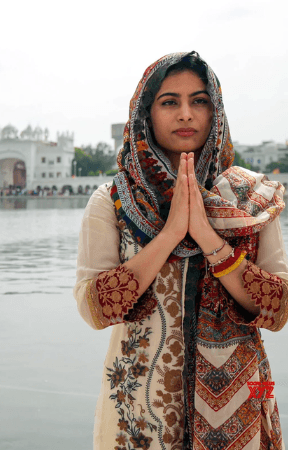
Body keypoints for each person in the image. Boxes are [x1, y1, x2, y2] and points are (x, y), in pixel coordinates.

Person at [74, 51, 287, 449]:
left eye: (199, 101)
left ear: (215, 111)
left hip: (242, 398)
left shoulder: (251, 199)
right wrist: (171, 233)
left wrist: (209, 240)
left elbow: (279, 309)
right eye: (169, 101)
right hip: (140, 412)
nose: (186, 113)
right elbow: (94, 309)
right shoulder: (114, 201)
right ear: (146, 113)